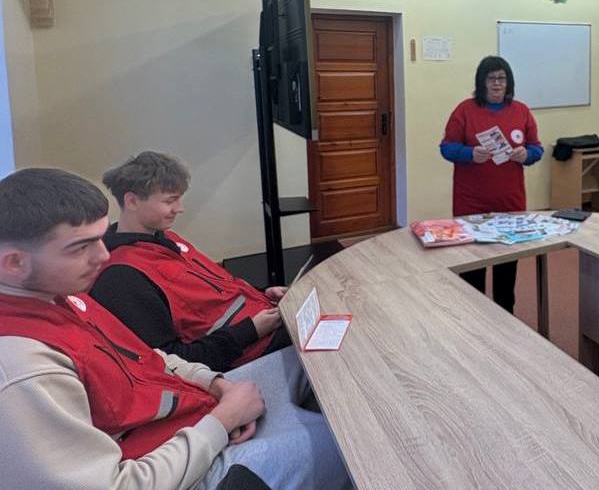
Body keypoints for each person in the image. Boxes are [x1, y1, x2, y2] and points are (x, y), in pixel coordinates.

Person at [0, 168, 349, 489]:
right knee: (351, 440)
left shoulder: (60, 294)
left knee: (315, 358)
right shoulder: (23, 369)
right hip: (185, 462)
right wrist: (221, 421)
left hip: (196, 410)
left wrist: (215, 383)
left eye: (100, 238)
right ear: (14, 263)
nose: (103, 256)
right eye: (80, 248)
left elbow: (147, 357)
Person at [90, 151, 289, 372]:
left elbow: (218, 291)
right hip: (247, 354)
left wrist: (263, 293)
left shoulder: (164, 238)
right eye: (170, 201)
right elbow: (172, 361)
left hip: (264, 324)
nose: (180, 208)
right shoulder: (122, 277)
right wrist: (251, 331)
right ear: (132, 201)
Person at [440, 56, 543, 312]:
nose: (497, 84)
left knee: (506, 272)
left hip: (509, 204)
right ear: (482, 82)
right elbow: (446, 147)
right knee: (472, 272)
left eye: (502, 78)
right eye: (491, 78)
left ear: (509, 83)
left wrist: (526, 155)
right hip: (471, 204)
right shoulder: (465, 110)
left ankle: (505, 316)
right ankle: (473, 319)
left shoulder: (521, 111)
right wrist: (469, 154)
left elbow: (537, 149)